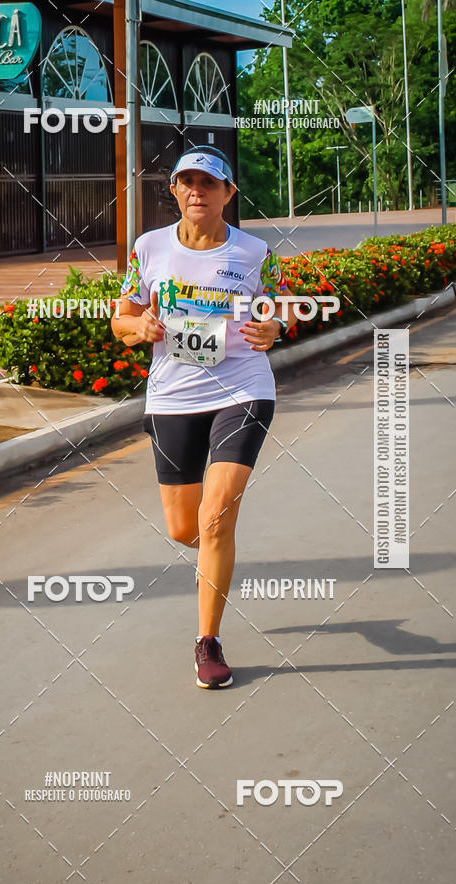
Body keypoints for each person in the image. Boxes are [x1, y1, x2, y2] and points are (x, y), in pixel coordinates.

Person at [111, 145, 298, 689]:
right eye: (187, 182)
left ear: (227, 194)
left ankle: (207, 642)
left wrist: (275, 328)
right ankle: (220, 553)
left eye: (209, 183)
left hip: (242, 389)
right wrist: (135, 330)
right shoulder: (148, 249)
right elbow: (121, 316)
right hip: (172, 396)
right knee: (184, 528)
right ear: (173, 190)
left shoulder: (255, 251)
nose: (197, 191)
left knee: (216, 518)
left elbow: (285, 305)